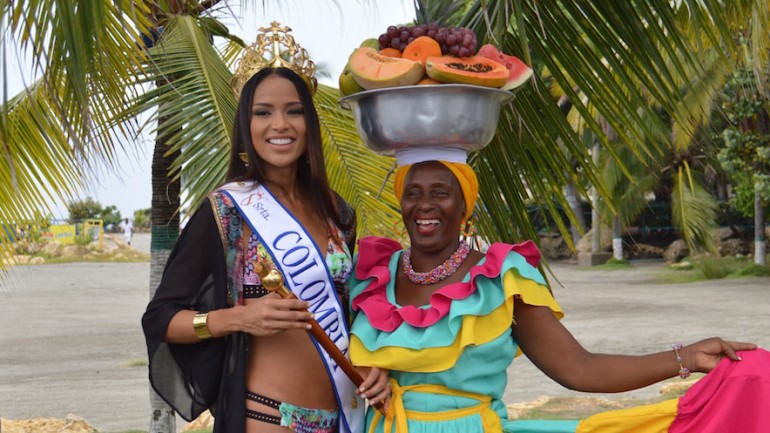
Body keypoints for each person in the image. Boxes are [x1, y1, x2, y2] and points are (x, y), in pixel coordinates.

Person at [347, 150, 770, 433]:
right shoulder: (370, 277)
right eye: (413, 194)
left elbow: (579, 368)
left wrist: (685, 358)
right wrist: (366, 372)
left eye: (441, 193)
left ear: (465, 207)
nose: (424, 205)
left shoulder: (502, 279)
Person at [142, 23, 388, 433]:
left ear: (309, 122)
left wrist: (373, 362)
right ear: (246, 125)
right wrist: (238, 318)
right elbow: (161, 319)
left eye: (294, 111)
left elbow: (349, 311)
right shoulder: (226, 211)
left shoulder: (336, 212)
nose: (280, 124)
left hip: (343, 420)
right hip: (269, 419)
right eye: (263, 112)